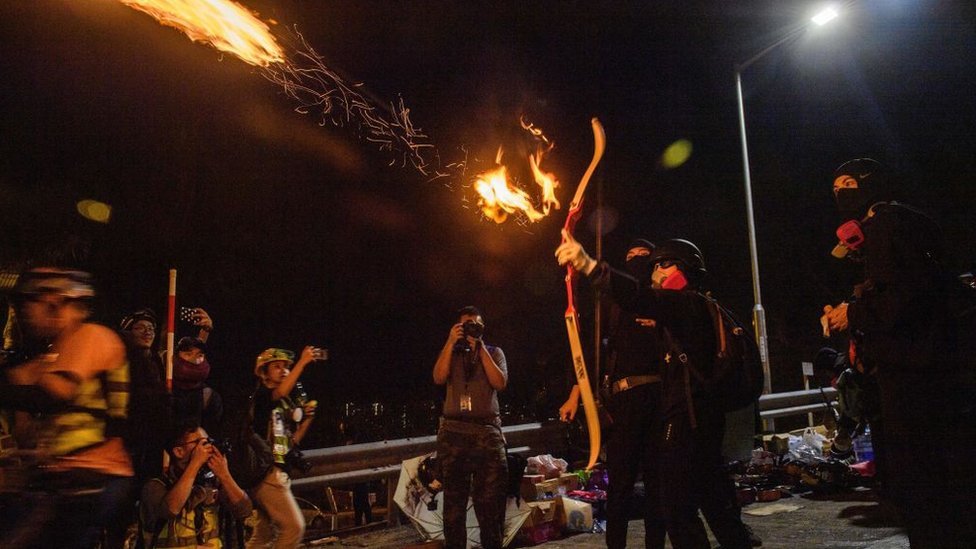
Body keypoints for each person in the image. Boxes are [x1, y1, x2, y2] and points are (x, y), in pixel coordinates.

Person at [557, 234, 757, 549]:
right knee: (716, 504)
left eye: (662, 266)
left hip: (686, 419)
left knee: (676, 509)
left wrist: (588, 264)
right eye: (653, 269)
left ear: (683, 268)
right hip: (705, 418)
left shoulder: (686, 302)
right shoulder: (700, 306)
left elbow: (636, 295)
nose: (655, 275)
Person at [821, 158, 976, 546]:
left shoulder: (886, 225)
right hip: (931, 366)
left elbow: (905, 297)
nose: (841, 192)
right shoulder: (911, 222)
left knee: (922, 486)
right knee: (942, 478)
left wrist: (851, 312)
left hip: (912, 373)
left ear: (870, 185)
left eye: (849, 183)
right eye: (836, 186)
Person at [0, 268, 134, 548]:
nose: (25, 313)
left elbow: (51, 396)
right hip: (71, 477)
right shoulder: (57, 352)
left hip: (92, 476)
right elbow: (20, 388)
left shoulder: (91, 335)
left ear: (55, 302)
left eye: (29, 303)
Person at [559, 239, 671, 549]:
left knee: (656, 484)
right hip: (623, 401)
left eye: (642, 256)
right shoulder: (613, 302)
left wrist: (660, 324)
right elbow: (590, 352)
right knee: (620, 485)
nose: (635, 258)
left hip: (659, 399)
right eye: (630, 255)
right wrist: (575, 395)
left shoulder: (661, 298)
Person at [432, 306, 508, 549]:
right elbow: (438, 377)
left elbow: (500, 382)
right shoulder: (451, 352)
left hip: (486, 434)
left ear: (483, 328)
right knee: (453, 508)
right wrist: (450, 341)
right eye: (466, 325)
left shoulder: (494, 352)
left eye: (476, 325)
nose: (471, 329)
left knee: (489, 506)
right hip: (454, 435)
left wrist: (480, 346)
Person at [247, 346, 323, 549]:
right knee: (295, 528)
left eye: (286, 367)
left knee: (262, 535)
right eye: (276, 367)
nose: (283, 371)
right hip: (266, 474)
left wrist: (307, 420)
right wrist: (303, 361)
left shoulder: (284, 405)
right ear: (264, 373)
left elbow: (292, 442)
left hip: (279, 470)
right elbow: (280, 391)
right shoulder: (263, 395)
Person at [140, 423, 252, 548]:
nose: (207, 447)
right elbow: (170, 509)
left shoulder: (212, 482)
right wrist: (195, 464)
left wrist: (224, 474)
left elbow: (244, 510)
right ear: (178, 451)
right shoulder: (155, 486)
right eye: (199, 442)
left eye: (208, 442)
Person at [172, 336, 224, 438]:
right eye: (188, 354)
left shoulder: (209, 396)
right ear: (176, 357)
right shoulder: (164, 389)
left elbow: (213, 433)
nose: (194, 359)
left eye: (200, 355)